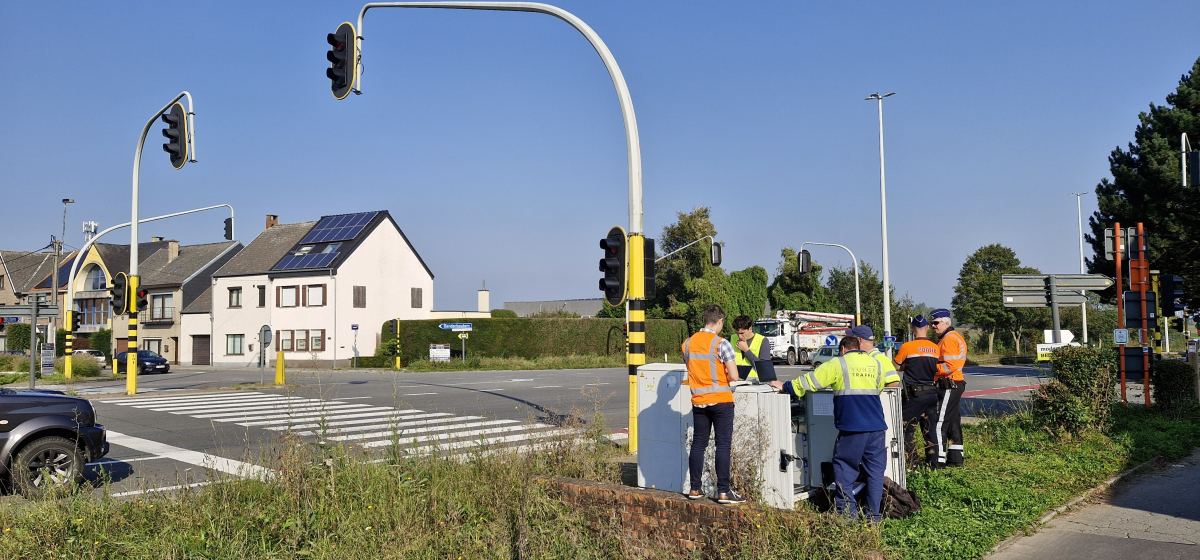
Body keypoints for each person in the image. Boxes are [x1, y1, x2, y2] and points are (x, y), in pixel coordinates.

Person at [769, 328, 900, 521]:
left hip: (853, 428)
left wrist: (785, 386)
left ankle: (847, 515)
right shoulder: (876, 364)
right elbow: (878, 388)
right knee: (875, 474)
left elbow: (809, 382)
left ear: (843, 349)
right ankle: (874, 517)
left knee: (845, 470)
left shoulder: (839, 363)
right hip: (877, 428)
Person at [682, 305, 746, 504]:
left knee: (699, 443)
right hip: (721, 401)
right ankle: (724, 492)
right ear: (720, 321)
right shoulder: (722, 343)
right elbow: (734, 376)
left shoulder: (688, 343)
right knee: (722, 445)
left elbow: (694, 369)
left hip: (699, 401)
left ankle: (694, 489)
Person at [893, 315, 941, 466]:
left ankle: (912, 463)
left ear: (912, 329)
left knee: (906, 429)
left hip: (914, 396)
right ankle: (933, 464)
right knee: (930, 431)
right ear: (927, 328)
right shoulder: (935, 348)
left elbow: (895, 366)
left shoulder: (907, 346)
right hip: (932, 394)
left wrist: (906, 366)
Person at [930, 308, 967, 467]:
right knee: (952, 422)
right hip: (955, 383)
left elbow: (949, 366)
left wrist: (931, 369)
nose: (933, 326)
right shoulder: (951, 337)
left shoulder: (949, 339)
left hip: (948, 384)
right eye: (932, 323)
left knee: (940, 422)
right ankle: (955, 458)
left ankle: (937, 461)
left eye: (936, 323)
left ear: (946, 322)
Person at [731, 315, 772, 380]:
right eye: (737, 333)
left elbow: (764, 369)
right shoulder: (731, 339)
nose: (739, 336)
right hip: (734, 381)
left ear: (750, 329)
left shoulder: (763, 341)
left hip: (754, 382)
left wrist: (746, 351)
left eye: (742, 333)